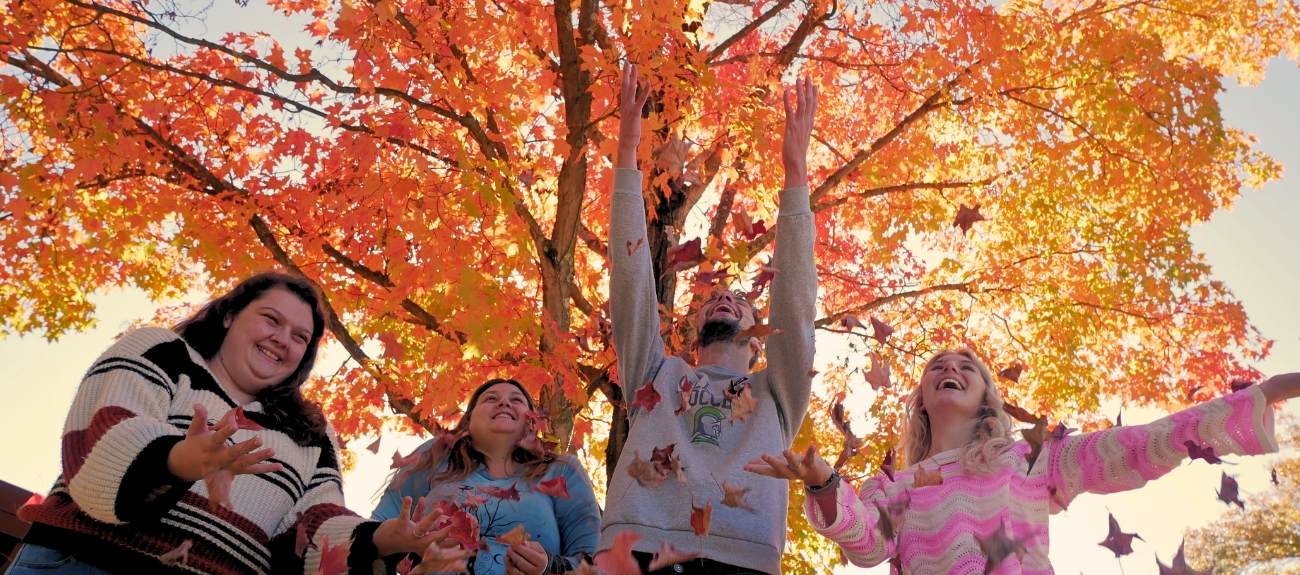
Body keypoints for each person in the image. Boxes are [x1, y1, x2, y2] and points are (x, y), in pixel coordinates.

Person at [12, 272, 451, 575]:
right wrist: (183, 459)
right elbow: (102, 435)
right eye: (271, 319)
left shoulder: (311, 436)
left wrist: (382, 539)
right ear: (228, 315)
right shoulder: (163, 352)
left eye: (301, 337)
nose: (283, 338)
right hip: (85, 562)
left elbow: (314, 524)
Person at [746, 348, 1299, 573]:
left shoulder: (1031, 458)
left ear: (987, 393)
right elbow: (866, 543)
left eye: (966, 365)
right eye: (938, 364)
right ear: (921, 398)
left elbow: (1137, 445)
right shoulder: (896, 483)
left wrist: (1264, 392)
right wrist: (823, 483)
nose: (951, 367)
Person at [597, 61, 818, 575]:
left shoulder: (777, 393)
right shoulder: (657, 374)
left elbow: (797, 306)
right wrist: (627, 157)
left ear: (760, 341)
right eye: (713, 298)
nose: (723, 298)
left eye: (740, 299)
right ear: (692, 329)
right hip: (637, 549)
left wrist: (796, 175)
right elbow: (629, 282)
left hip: (741, 558)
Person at [374, 379, 601, 575]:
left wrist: (549, 567)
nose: (504, 403)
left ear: (532, 422)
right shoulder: (435, 456)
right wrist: (397, 541)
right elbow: (365, 535)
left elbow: (594, 563)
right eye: (490, 399)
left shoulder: (562, 470)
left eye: (517, 400)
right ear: (468, 421)